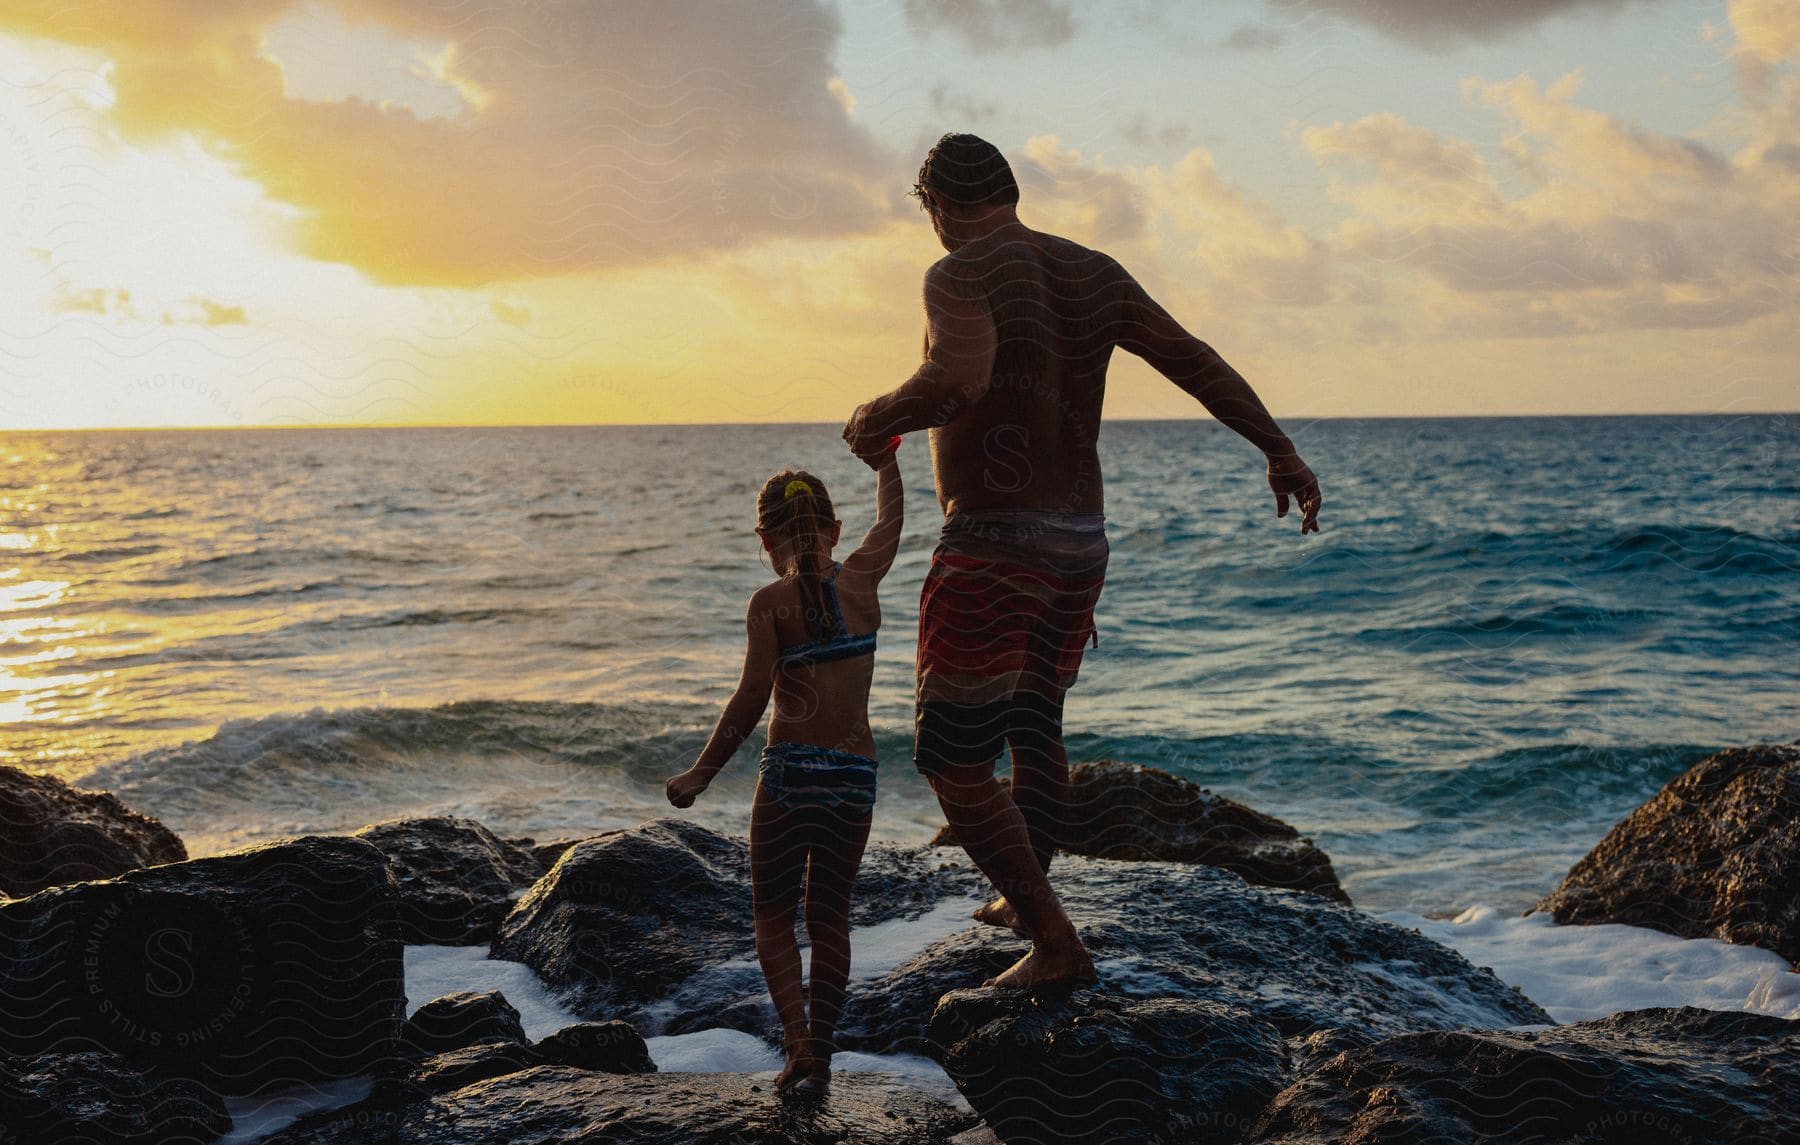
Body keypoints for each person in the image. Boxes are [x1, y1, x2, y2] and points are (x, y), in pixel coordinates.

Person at [842, 133, 1321, 990]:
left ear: (940, 207)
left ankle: (1055, 941)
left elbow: (958, 377)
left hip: (993, 542)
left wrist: (876, 414)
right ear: (1011, 190)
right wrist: (1277, 449)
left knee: (952, 758)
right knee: (1035, 724)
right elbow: (1192, 358)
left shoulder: (958, 272)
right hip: (1079, 543)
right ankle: (1025, 902)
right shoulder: (1094, 270)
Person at [665, 442, 903, 1096]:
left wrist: (701, 773)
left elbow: (750, 698)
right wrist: (887, 460)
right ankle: (822, 1055)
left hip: (791, 774)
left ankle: (796, 1045)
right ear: (834, 530)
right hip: (854, 778)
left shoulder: (769, 602)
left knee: (772, 914)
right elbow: (893, 523)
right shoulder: (861, 582)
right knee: (829, 918)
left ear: (765, 538)